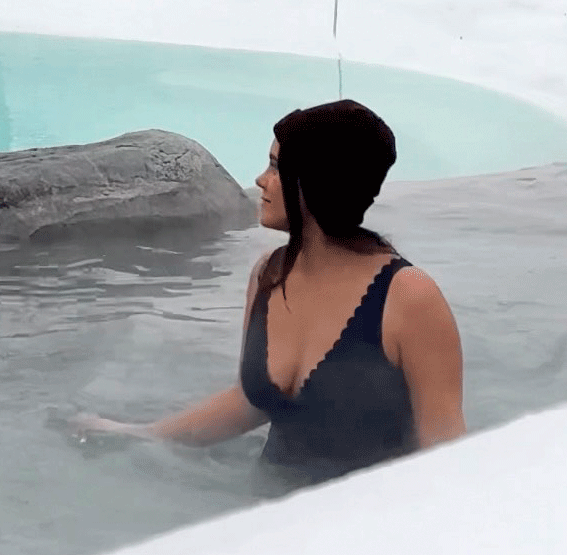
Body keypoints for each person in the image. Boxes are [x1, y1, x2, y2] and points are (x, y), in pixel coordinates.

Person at [70, 99, 466, 484]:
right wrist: (137, 435)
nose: (261, 179)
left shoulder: (408, 297)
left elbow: (445, 451)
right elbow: (250, 402)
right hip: (267, 515)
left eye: (277, 166)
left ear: (318, 178)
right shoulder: (270, 274)